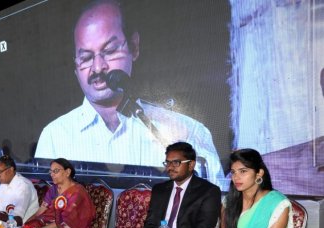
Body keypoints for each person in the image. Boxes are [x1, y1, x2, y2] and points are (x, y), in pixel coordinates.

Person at [34, 0, 225, 188]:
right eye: (85, 58)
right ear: (75, 66)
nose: (98, 67)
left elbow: (214, 205)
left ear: (134, 46)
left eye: (109, 51)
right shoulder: (54, 136)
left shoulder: (189, 132)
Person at [139, 142, 221, 228]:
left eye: (176, 162)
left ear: (191, 165)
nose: (170, 167)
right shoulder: (159, 189)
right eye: (167, 163)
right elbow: (150, 225)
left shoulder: (209, 191)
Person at [25, 158, 96, 228]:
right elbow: (41, 211)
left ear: (67, 172)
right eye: (50, 171)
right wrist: (26, 224)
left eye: (55, 171)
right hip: (47, 225)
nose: (52, 174)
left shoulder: (77, 192)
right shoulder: (53, 189)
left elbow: (64, 221)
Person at [0, 155, 39, 226]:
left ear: (11, 169)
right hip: (8, 225)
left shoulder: (23, 185)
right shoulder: (3, 184)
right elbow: (1, 211)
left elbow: (18, 220)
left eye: (0, 172)